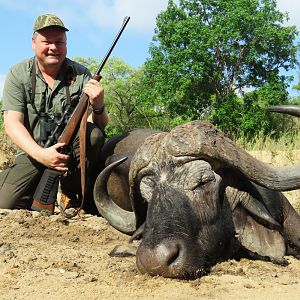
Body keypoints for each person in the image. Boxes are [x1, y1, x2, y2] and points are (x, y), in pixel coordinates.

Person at [0, 14, 109, 211]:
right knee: (4, 204)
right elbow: (12, 124)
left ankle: (71, 192)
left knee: (94, 135)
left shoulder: (82, 73)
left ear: (66, 44)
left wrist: (99, 105)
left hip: (69, 155)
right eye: (47, 42)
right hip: (31, 152)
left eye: (59, 42)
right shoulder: (18, 73)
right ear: (33, 43)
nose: (53, 47)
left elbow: (97, 124)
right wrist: (42, 155)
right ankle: (34, 194)